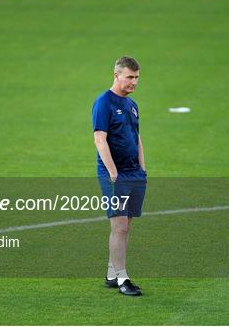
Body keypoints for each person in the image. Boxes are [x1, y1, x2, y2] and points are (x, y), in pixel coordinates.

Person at [92, 56, 147, 296]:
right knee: (120, 226)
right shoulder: (104, 102)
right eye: (129, 77)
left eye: (136, 77)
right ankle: (123, 279)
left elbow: (137, 138)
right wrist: (113, 172)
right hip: (115, 175)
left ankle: (112, 272)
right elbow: (99, 138)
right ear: (117, 75)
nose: (134, 82)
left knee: (127, 225)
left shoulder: (132, 104)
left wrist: (143, 169)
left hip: (134, 173)